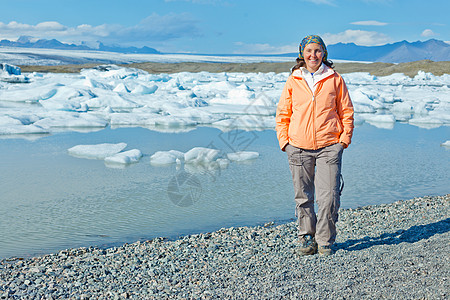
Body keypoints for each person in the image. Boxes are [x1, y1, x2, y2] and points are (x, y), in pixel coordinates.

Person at [275, 35, 354, 256]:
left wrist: (343, 141)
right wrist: (285, 143)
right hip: (298, 147)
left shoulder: (334, 79)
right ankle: (307, 238)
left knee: (329, 196)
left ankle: (325, 240)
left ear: (324, 54)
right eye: (309, 51)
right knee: (303, 196)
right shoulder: (294, 79)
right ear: (302, 54)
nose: (313, 55)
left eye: (318, 51)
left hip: (329, 145)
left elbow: (346, 111)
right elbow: (283, 113)